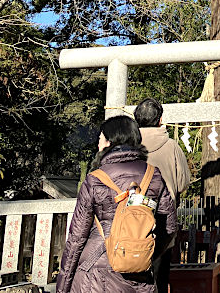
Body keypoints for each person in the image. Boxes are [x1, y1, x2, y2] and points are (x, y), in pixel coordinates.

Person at [57, 115, 177, 293]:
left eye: (100, 139)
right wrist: (141, 252)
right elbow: (169, 227)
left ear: (109, 142)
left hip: (96, 274)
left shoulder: (95, 179)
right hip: (140, 275)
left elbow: (76, 238)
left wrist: (62, 287)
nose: (98, 144)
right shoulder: (154, 175)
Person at [133, 99, 191, 293]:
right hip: (163, 223)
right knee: (159, 276)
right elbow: (183, 183)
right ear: (159, 120)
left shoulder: (127, 147)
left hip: (130, 222)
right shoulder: (172, 147)